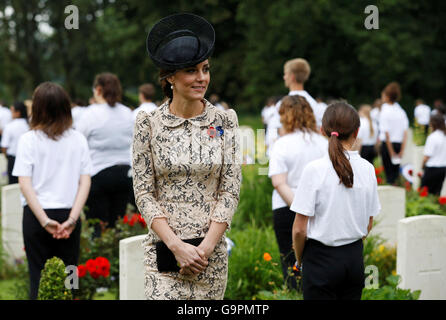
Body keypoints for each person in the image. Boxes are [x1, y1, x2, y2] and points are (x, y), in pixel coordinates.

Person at [135, 13, 241, 300]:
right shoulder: (148, 123)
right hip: (164, 255)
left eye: (205, 69)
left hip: (210, 258)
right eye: (192, 71)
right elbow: (144, 192)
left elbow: (230, 189)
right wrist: (176, 246)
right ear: (170, 77)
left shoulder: (224, 121)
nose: (202, 78)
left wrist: (204, 249)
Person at [290, 101, 381, 300]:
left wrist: (299, 259)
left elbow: (299, 229)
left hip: (320, 259)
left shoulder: (314, 170)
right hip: (354, 257)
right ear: (357, 132)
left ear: (322, 130)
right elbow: (369, 223)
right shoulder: (367, 169)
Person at [12, 82, 92, 300]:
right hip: (68, 213)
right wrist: (73, 219)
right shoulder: (78, 139)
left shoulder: (28, 140)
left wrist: (44, 220)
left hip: (37, 214)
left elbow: (24, 183)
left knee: (36, 273)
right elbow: (85, 182)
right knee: (70, 272)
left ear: (36, 108)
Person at [268, 95, 327, 290]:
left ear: (285, 116)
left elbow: (279, 182)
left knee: (290, 262)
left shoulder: (281, 144)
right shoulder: (323, 143)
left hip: (286, 208)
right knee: (318, 261)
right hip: (320, 209)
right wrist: (309, 209)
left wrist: (299, 208)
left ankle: (294, 293)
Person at [76, 73, 134, 237]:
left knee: (98, 227)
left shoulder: (90, 113)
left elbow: (79, 142)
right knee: (117, 225)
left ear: (98, 90)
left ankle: (100, 261)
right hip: (124, 173)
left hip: (98, 174)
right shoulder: (127, 113)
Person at [267, 58, 324, 156]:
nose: (284, 77)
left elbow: (275, 132)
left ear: (292, 77)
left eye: (285, 74)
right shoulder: (314, 103)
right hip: (311, 153)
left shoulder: (282, 104)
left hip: (288, 153)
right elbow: (319, 130)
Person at [378, 82, 409, 185]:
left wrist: (391, 152)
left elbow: (386, 133)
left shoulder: (385, 110)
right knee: (395, 174)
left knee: (389, 175)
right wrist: (402, 151)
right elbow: (405, 132)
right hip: (398, 145)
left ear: (387, 96)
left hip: (388, 146)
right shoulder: (401, 111)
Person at [1, 101, 29, 184]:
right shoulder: (28, 125)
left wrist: (6, 156)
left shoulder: (9, 126)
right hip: (26, 158)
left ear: (18, 113)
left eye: (12, 111)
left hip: (13, 158)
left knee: (13, 185)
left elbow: (4, 146)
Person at [420, 114, 446, 195]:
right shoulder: (444, 136)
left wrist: (422, 167)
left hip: (432, 168)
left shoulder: (432, 137)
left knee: (424, 192)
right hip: (443, 168)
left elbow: (427, 156)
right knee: (436, 193)